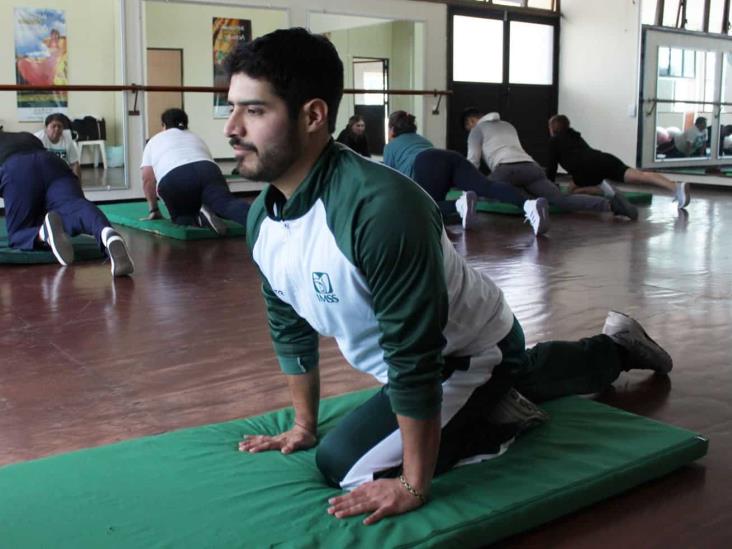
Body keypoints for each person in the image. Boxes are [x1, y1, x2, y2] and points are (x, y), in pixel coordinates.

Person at [225, 28, 672, 526]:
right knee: (513, 374)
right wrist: (304, 425)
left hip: (465, 350)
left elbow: (415, 356)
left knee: (344, 465)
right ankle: (611, 349)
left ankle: (498, 412)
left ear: (312, 115)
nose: (231, 128)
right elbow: (290, 326)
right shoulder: (263, 218)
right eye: (232, 109)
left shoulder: (381, 210)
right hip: (438, 357)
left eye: (254, 110)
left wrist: (414, 484)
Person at [383, 110, 549, 235]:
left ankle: (459, 204)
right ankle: (529, 204)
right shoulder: (422, 139)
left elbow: (392, 179)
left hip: (426, 163)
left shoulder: (390, 147)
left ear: (391, 129)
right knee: (487, 186)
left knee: (423, 208)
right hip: (450, 157)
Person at [462, 109, 639, 220]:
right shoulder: (508, 125)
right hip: (532, 168)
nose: (468, 129)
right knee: (561, 199)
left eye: (467, 125)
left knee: (485, 191)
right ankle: (611, 205)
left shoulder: (476, 131)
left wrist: (468, 184)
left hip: (506, 170)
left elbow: (472, 162)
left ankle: (530, 204)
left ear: (472, 121)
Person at [0, 131, 133, 276]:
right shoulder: (24, 135)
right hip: (53, 163)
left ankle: (43, 233)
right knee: (75, 206)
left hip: (17, 170)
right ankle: (106, 233)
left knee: (18, 233)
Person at [140, 108, 249, 234]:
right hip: (209, 172)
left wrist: (154, 209)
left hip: (175, 178)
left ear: (164, 125)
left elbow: (147, 179)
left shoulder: (154, 141)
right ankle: (263, 221)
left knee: (182, 217)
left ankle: (198, 219)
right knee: (227, 204)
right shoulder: (195, 137)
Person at [547, 114, 690, 209]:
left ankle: (606, 189)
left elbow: (551, 168)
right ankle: (675, 187)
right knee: (640, 176)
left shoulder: (554, 141)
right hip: (604, 160)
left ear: (552, 129)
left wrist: (548, 188)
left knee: (570, 192)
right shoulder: (574, 136)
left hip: (587, 170)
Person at [34, 113, 81, 179]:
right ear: (45, 128)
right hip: (44, 175)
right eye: (53, 126)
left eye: (59, 126)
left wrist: (77, 185)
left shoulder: (67, 137)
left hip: (63, 174)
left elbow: (75, 164)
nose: (57, 129)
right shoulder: (38, 138)